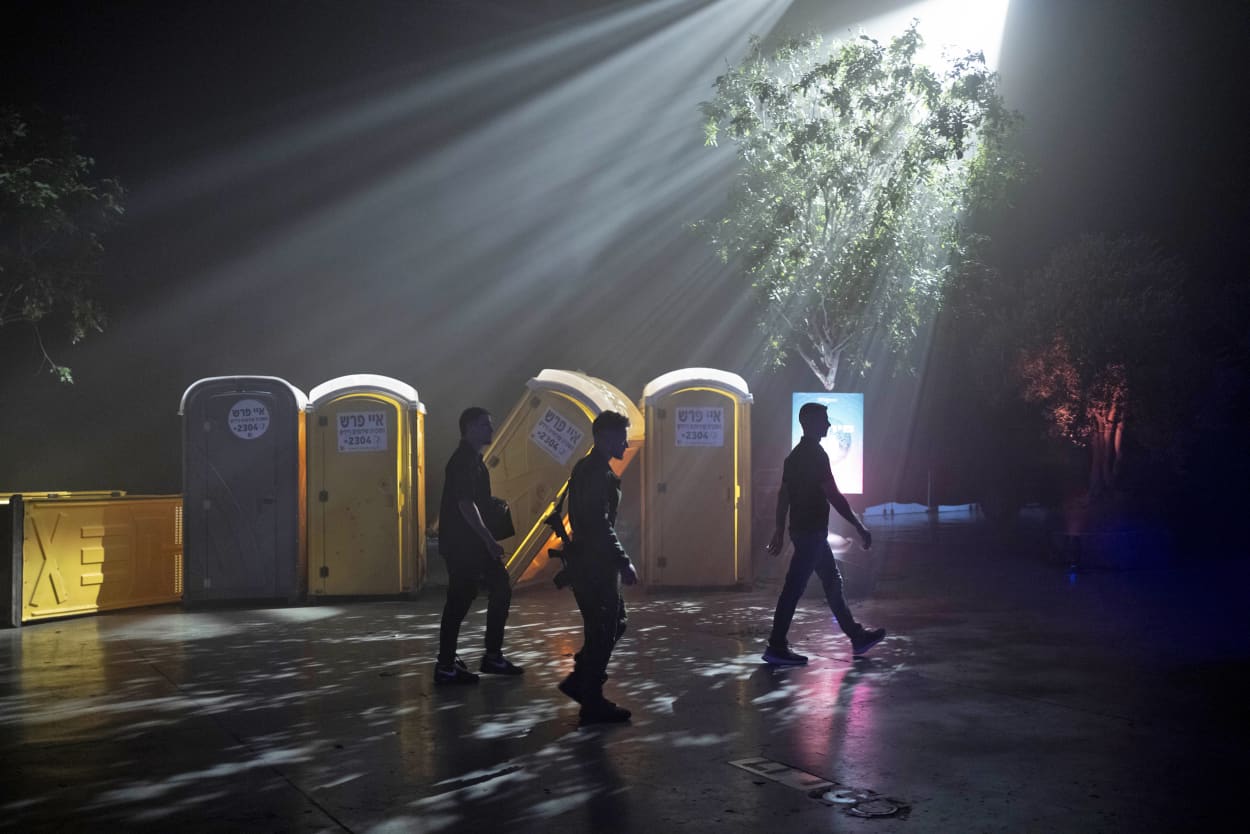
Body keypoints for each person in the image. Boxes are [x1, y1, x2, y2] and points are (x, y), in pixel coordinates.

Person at [763, 402, 886, 665]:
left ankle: (857, 636)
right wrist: (859, 525)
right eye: (824, 420)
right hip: (812, 534)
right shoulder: (817, 456)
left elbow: (783, 496)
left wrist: (779, 529)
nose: (828, 424)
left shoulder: (793, 457)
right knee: (795, 589)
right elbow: (834, 496)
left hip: (803, 531)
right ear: (810, 422)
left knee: (832, 583)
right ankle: (776, 645)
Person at [557, 410, 638, 723]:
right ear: (604, 437)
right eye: (621, 437)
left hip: (591, 561)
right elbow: (600, 524)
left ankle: (582, 680)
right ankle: (591, 700)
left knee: (611, 624)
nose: (626, 443)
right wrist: (624, 560)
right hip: (595, 564)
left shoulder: (589, 467)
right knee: (605, 627)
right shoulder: (596, 472)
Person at [434, 407, 524, 684]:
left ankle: (491, 657)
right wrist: (489, 539)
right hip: (464, 545)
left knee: (500, 588)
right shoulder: (463, 461)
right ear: (470, 428)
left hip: (472, 543)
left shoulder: (473, 459)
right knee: (460, 601)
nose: (490, 430)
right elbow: (465, 504)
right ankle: (447, 666)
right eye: (485, 425)